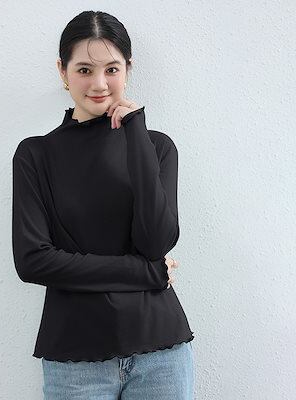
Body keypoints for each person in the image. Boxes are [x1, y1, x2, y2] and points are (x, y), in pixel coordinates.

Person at [12, 10, 195, 400]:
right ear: (62, 71)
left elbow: (156, 241)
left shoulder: (157, 146)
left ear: (128, 69)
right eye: (84, 70)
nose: (99, 83)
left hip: (161, 352)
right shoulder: (36, 155)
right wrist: (147, 273)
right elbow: (33, 261)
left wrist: (135, 132)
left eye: (112, 69)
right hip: (75, 361)